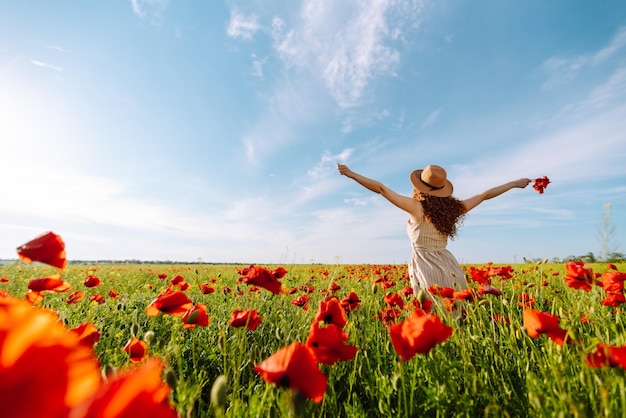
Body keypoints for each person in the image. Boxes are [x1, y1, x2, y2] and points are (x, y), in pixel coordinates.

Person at [337, 163, 531, 299]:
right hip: (450, 266)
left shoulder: (416, 207)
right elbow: (485, 195)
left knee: (434, 315)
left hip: (425, 267)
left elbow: (380, 188)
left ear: (420, 186)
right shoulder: (453, 209)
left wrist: (352, 174)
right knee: (455, 312)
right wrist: (514, 183)